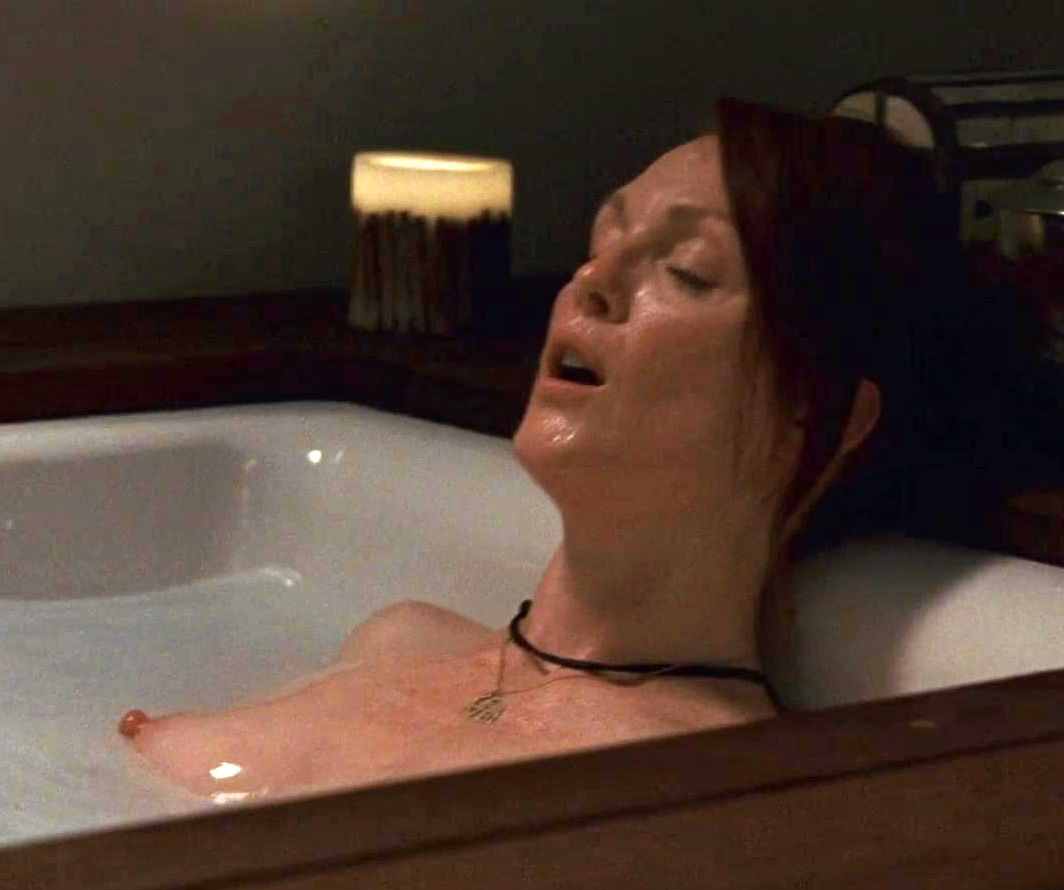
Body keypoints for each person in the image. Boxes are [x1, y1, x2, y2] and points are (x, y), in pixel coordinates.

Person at [118, 98, 950, 804]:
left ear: (818, 412)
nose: (591, 282)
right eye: (601, 240)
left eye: (690, 271)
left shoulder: (693, 783)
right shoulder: (397, 640)